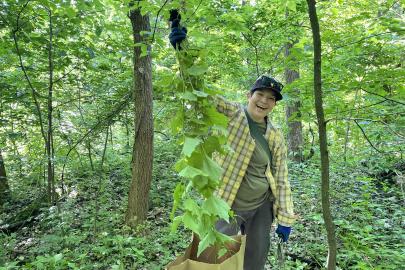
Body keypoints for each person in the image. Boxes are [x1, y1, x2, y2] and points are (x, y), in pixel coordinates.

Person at [169, 11, 296, 270]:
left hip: (261, 206)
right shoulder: (230, 114)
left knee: (254, 260)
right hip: (227, 201)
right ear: (250, 95)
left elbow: (281, 176)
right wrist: (182, 51)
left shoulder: (275, 134)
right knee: (211, 257)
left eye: (271, 99)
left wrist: (286, 217)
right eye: (260, 94)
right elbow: (199, 93)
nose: (264, 101)